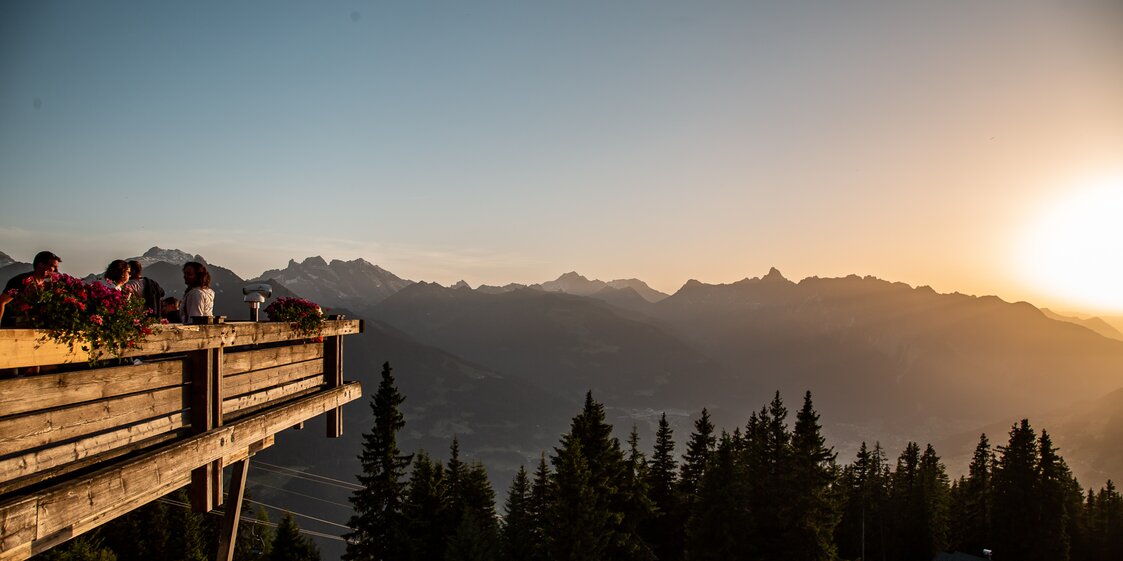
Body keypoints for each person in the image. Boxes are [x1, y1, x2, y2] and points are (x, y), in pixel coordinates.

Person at [1, 250, 61, 327]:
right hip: (12, 329)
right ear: (41, 265)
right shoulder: (21, 281)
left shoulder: (49, 286)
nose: (56, 270)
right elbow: (2, 302)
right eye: (53, 266)